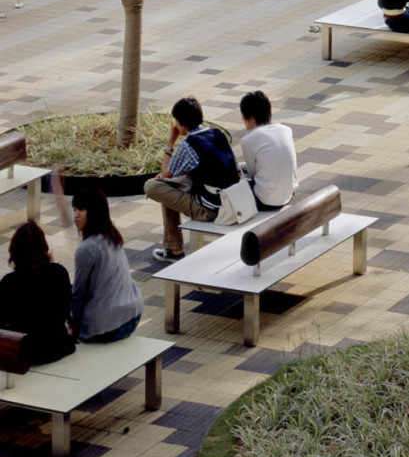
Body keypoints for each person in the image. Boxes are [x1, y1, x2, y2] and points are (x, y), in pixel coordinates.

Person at [145, 96, 241, 261]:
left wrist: (171, 142)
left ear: (182, 124)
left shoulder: (188, 145)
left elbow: (166, 174)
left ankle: (174, 250)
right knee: (170, 186)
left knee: (153, 186)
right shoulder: (217, 134)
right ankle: (173, 249)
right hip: (233, 201)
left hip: (210, 210)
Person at [70, 188, 143, 343]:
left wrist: (73, 330)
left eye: (81, 209)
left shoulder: (87, 248)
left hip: (109, 327)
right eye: (74, 209)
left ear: (94, 211)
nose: (76, 215)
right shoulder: (112, 235)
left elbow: (78, 294)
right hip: (133, 314)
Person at [0, 221, 75, 364]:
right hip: (58, 346)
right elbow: (66, 309)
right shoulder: (59, 272)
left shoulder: (9, 283)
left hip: (26, 353)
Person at [239, 91, 298, 211]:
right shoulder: (286, 130)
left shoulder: (248, 140)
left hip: (264, 201)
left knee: (235, 185)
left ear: (250, 118)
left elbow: (252, 173)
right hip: (289, 194)